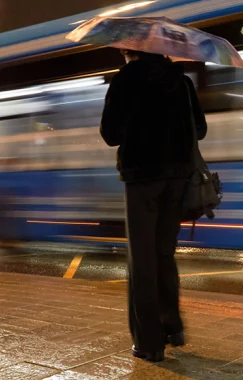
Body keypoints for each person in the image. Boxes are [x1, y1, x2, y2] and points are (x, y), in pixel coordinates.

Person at [100, 49, 207, 362]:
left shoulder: (125, 80)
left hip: (142, 179)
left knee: (142, 260)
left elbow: (110, 134)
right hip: (178, 179)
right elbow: (199, 130)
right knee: (164, 254)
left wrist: (137, 126)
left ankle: (149, 342)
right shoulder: (182, 82)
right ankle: (172, 326)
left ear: (131, 49)